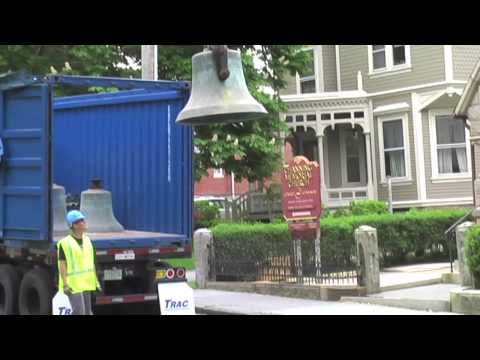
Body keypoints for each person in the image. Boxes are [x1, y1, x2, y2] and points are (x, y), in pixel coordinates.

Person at [57, 210, 101, 315]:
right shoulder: (65, 243)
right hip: (73, 284)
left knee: (87, 312)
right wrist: (66, 284)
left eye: (83, 220)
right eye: (80, 221)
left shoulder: (88, 241)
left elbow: (92, 263)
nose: (84, 222)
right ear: (74, 225)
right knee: (79, 312)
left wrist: (96, 281)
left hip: (86, 282)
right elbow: (62, 264)